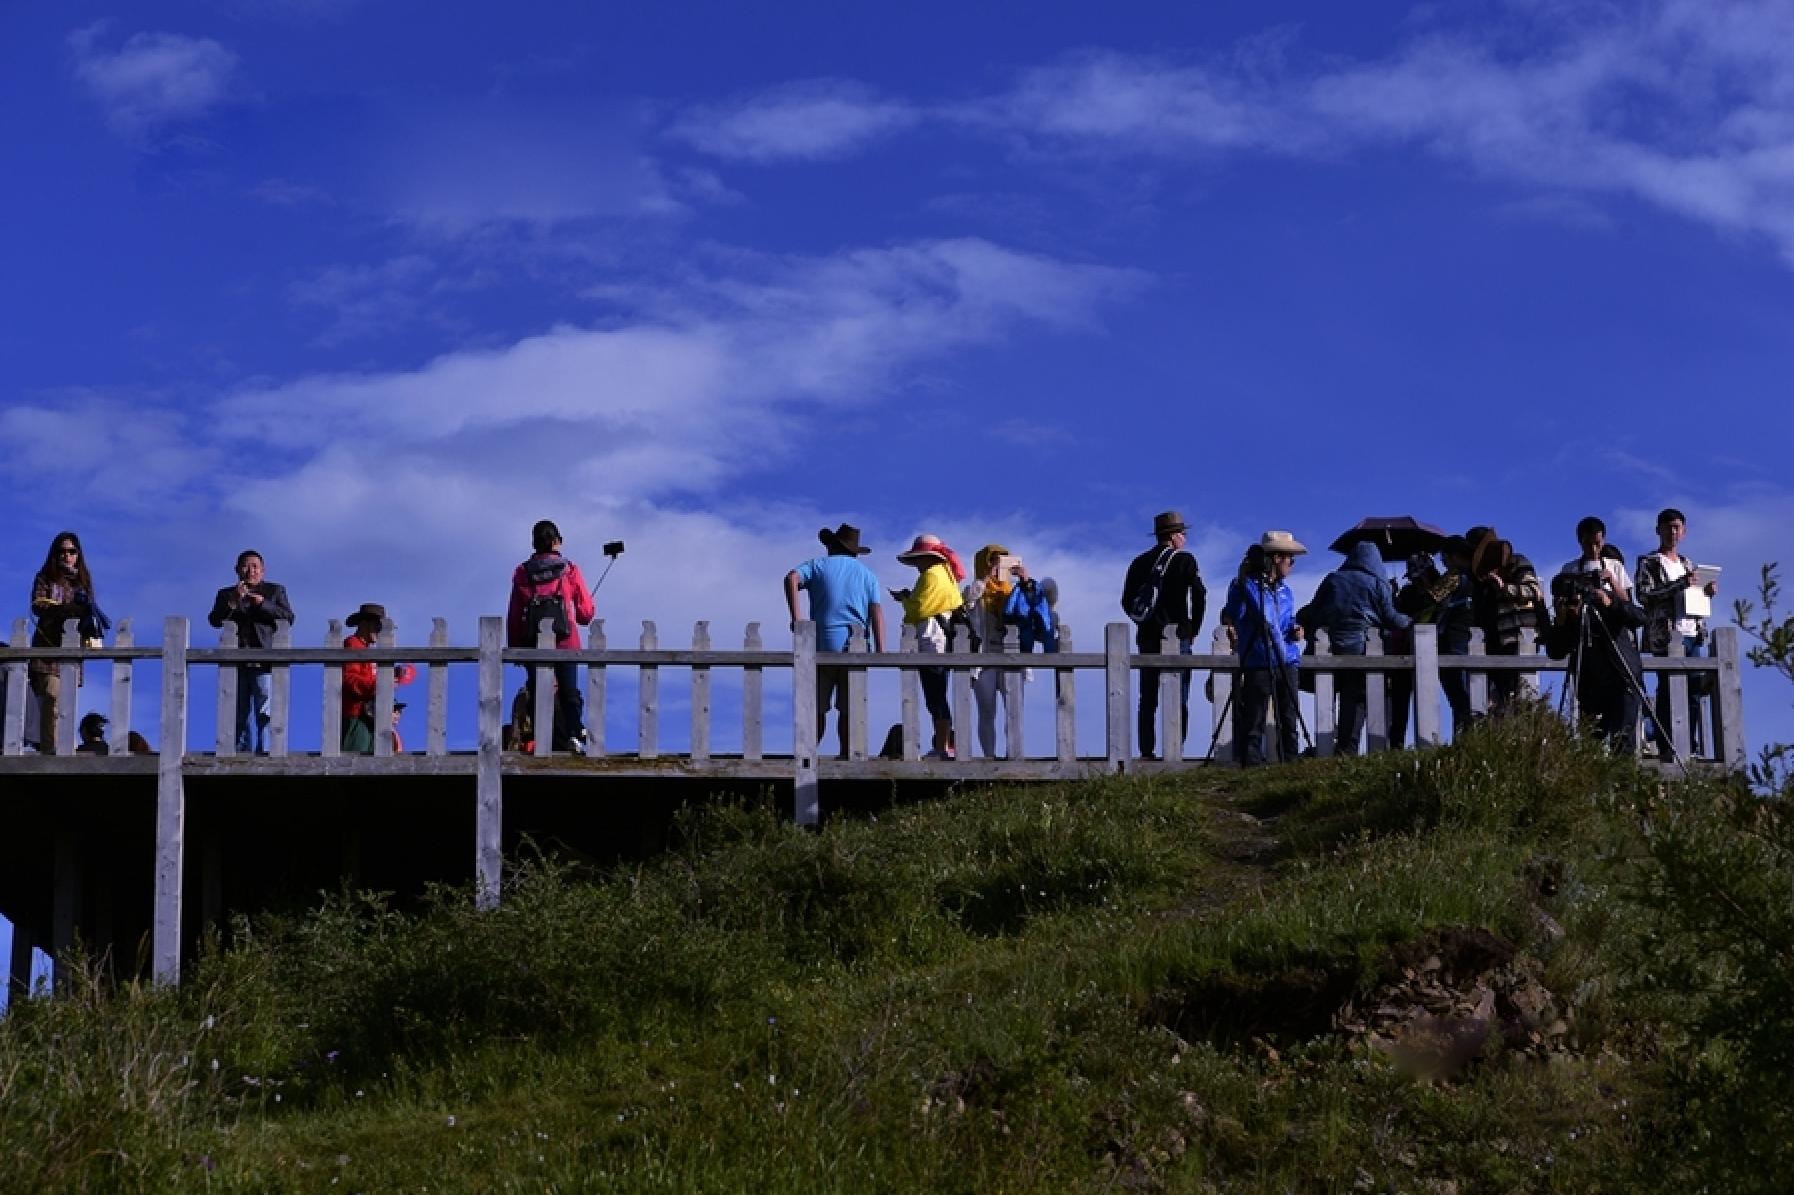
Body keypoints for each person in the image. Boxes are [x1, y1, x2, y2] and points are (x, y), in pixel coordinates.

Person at [785, 523, 887, 757]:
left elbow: (791, 578)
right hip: (856, 648)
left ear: (831, 546)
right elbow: (876, 611)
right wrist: (881, 648)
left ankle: (807, 755)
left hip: (822, 645)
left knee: (816, 708)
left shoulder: (818, 565)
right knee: (849, 709)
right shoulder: (868, 575)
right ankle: (846, 755)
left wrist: (797, 618)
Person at [1550, 518, 1646, 752]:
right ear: (1580, 541)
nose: (1594, 549)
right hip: (1589, 668)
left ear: (1603, 540)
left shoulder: (1614, 566)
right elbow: (1558, 642)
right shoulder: (1570, 569)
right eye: (1588, 543)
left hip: (1619, 664)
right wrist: (1567, 612)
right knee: (1591, 736)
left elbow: (1632, 609)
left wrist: (1609, 593)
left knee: (1622, 739)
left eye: (1598, 543)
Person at [1309, 541, 1410, 755]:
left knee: (1340, 695)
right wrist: (1410, 620)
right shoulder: (1377, 583)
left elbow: (1314, 610)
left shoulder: (1333, 579)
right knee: (1359, 697)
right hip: (1364, 646)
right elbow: (1390, 617)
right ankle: (1356, 745)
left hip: (1332, 647)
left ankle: (1344, 745)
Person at [1120, 511, 1207, 760]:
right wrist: (1193, 628)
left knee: (1147, 697)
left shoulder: (1139, 563)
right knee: (1179, 696)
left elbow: (1126, 601)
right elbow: (1200, 594)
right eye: (1183, 533)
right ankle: (1175, 748)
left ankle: (1147, 750)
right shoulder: (1185, 560)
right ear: (1173, 536)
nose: (1185, 538)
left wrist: (1144, 620)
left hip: (1148, 636)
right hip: (1178, 634)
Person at [505, 520, 597, 754]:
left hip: (533, 641)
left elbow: (514, 614)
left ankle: (541, 736)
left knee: (538, 690)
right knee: (569, 690)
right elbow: (586, 613)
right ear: (557, 541)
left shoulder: (522, 572)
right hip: (565, 640)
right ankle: (574, 731)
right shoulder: (569, 569)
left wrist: (515, 646)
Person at [1635, 507, 1719, 756]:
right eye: (1668, 527)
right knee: (1667, 687)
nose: (1673, 532)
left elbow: (1694, 595)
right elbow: (1644, 595)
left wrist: (1707, 592)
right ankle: (1666, 743)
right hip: (1666, 633)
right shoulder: (1649, 562)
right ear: (1658, 530)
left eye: (1677, 527)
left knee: (1694, 688)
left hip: (1692, 630)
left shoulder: (1688, 564)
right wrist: (1679, 584)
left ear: (1684, 532)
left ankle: (1689, 743)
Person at [1223, 531, 1307, 765]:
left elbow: (1285, 621)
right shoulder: (1246, 586)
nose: (1292, 565)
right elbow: (1234, 613)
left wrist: (1295, 628)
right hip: (1258, 660)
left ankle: (1290, 763)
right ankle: (1252, 766)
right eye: (1290, 559)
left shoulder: (1286, 591)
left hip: (1286, 659)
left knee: (1288, 718)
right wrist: (1243, 582)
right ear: (1277, 558)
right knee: (1255, 719)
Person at [207, 549, 295, 754]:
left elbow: (288, 617)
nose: (250, 571)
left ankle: (265, 750)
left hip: (264, 659)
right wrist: (233, 601)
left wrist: (263, 604)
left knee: (265, 709)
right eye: (246, 566)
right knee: (238, 711)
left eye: (255, 567)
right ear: (237, 570)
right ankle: (240, 752)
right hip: (236, 661)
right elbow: (214, 620)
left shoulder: (274, 591)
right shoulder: (226, 594)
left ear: (262, 570)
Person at [28, 532, 100, 754]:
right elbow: (38, 605)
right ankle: (50, 749)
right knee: (51, 696)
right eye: (62, 551)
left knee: (64, 703)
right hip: (48, 649)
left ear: (78, 554)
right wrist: (62, 609)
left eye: (71, 551)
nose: (67, 555)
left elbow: (90, 611)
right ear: (55, 554)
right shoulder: (46, 577)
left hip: (71, 650)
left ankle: (59, 747)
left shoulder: (82, 582)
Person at [896, 534, 966, 759]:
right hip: (941, 638)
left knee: (935, 695)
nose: (917, 563)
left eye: (918, 558)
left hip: (931, 639)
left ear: (928, 557)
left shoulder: (931, 575)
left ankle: (942, 746)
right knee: (938, 694)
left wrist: (905, 601)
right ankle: (944, 744)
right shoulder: (946, 574)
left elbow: (919, 609)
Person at [1468, 527, 1546, 711]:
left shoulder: (1516, 562)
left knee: (1519, 689)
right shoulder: (1481, 577)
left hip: (1519, 636)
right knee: (1500, 694)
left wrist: (1504, 588)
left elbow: (1533, 591)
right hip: (1495, 640)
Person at [963, 543, 1028, 758]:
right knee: (986, 710)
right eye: (993, 560)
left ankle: (1014, 755)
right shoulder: (976, 589)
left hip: (1011, 657)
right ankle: (989, 756)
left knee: (1014, 711)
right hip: (984, 657)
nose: (998, 565)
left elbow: (1030, 608)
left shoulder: (1013, 592)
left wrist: (1025, 581)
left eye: (1002, 560)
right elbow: (968, 601)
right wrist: (985, 578)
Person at [341, 603, 415, 753]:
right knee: (356, 758)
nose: (379, 631)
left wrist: (391, 676)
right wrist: (380, 685)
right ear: (364, 624)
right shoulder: (353, 643)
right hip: (357, 715)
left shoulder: (367, 650)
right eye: (377, 626)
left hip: (371, 716)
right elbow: (350, 679)